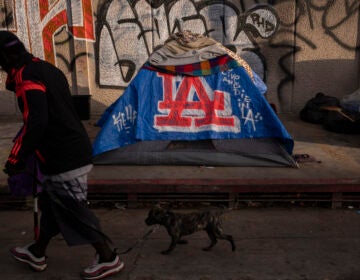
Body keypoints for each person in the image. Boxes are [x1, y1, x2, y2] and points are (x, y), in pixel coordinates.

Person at [0, 31, 124, 279]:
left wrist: (17, 158)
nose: (1, 67)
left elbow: (36, 122)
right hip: (69, 150)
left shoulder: (26, 77)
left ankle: (108, 258)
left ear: (10, 56)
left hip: (63, 156)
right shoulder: (46, 69)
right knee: (52, 204)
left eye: (1, 60)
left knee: (72, 209)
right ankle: (37, 250)